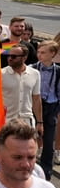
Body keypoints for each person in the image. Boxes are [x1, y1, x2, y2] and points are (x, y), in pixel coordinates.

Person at [32, 40, 60, 178]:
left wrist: (56, 109)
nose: (39, 55)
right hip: (35, 105)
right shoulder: (32, 68)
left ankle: (46, 172)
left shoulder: (58, 71)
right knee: (32, 137)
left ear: (53, 54)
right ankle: (31, 168)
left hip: (51, 106)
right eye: (38, 52)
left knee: (49, 142)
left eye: (43, 52)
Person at [3, 43, 42, 136]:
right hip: (7, 121)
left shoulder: (35, 74)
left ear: (24, 58)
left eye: (13, 56)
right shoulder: (1, 74)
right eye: (8, 55)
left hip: (27, 121)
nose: (10, 58)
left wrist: (40, 122)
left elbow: (36, 99)